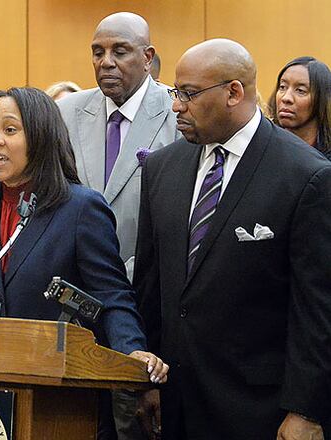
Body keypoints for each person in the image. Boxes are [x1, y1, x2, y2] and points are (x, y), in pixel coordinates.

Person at [135, 39, 331, 439]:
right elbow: (151, 286)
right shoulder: (161, 169)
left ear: (234, 92)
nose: (177, 106)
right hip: (175, 405)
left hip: (260, 411)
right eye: (176, 93)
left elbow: (317, 309)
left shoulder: (306, 175)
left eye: (188, 94)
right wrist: (148, 382)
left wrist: (306, 411)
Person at [0, 87, 168, 439]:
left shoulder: (81, 208)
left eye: (10, 130)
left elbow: (112, 294)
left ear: (40, 136)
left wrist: (133, 350)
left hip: (62, 399)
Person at [56, 12, 178, 439]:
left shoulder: (177, 112)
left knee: (139, 426)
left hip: (148, 304)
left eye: (119, 51)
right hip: (73, 306)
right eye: (97, 51)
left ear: (148, 58)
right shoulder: (66, 112)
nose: (106, 61)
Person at [268, 56, 331, 159]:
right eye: (282, 87)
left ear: (320, 99)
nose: (286, 98)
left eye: (300, 90)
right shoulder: (263, 145)